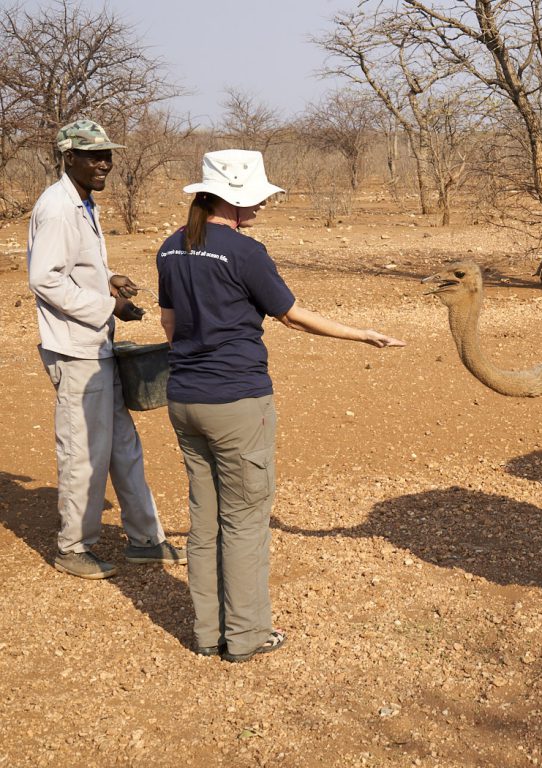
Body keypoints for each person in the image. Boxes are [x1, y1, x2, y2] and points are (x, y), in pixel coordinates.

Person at [157, 149, 406, 662]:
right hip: (237, 402)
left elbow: (167, 324)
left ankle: (207, 633)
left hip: (184, 399)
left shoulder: (170, 248)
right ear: (234, 200)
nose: (262, 206)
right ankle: (246, 636)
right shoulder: (245, 253)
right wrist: (361, 334)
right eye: (256, 198)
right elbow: (292, 316)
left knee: (205, 521)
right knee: (246, 520)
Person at [27, 119, 186, 579]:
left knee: (121, 444)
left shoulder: (82, 202)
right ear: (68, 157)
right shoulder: (57, 206)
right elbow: (45, 279)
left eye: (107, 155)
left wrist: (109, 276)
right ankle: (73, 547)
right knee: (84, 451)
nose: (104, 163)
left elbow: (77, 265)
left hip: (96, 348)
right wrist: (107, 304)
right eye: (93, 155)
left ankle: (144, 539)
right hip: (75, 351)